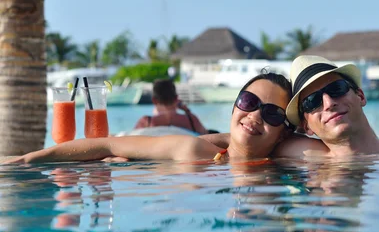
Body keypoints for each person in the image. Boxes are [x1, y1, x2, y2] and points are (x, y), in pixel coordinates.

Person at [6, 72, 295, 164]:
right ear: (234, 108)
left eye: (271, 113)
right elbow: (108, 144)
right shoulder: (191, 148)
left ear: (284, 132)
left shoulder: (293, 158)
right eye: (248, 102)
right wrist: (25, 160)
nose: (255, 115)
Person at [134, 79, 209, 134]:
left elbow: (130, 140)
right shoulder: (192, 121)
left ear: (154, 100)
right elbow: (207, 136)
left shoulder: (147, 122)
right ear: (176, 98)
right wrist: (187, 111)